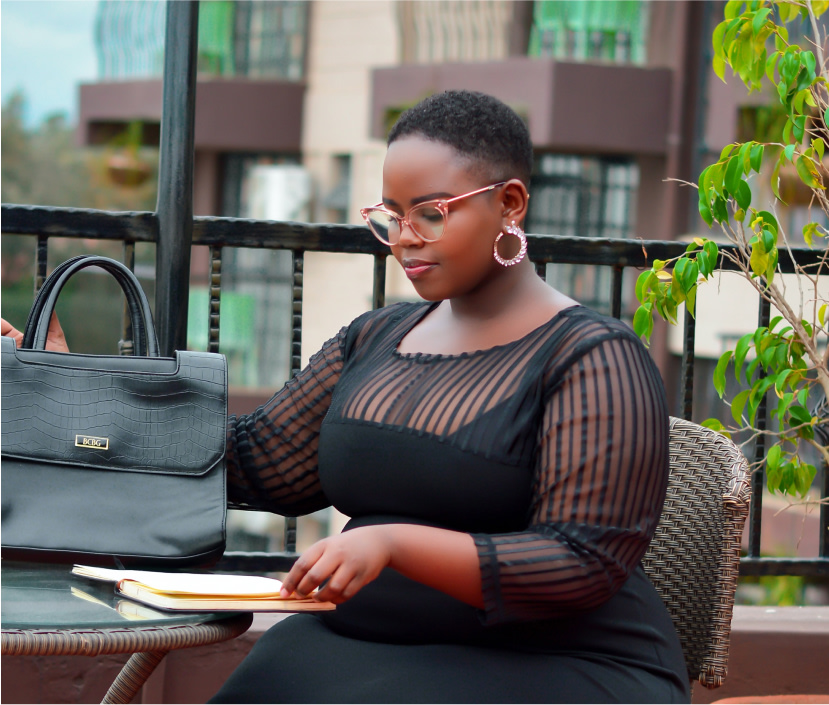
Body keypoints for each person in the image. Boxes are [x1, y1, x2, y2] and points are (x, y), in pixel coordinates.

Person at [2, 90, 690, 704]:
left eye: (430, 212)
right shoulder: (375, 338)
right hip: (366, 649)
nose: (402, 238)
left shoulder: (592, 356)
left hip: (557, 666)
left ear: (508, 203)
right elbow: (247, 460)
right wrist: (72, 390)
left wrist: (394, 543)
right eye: (390, 215)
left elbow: (581, 561)